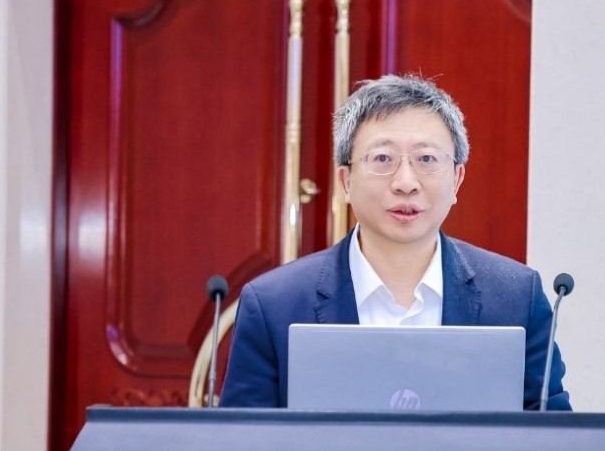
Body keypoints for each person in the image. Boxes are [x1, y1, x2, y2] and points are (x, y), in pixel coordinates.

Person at [220, 74, 570, 410]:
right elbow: (243, 443)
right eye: (382, 159)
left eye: (426, 159)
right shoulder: (273, 305)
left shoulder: (515, 298)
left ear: (457, 180)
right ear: (346, 181)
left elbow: (552, 437)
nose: (405, 183)